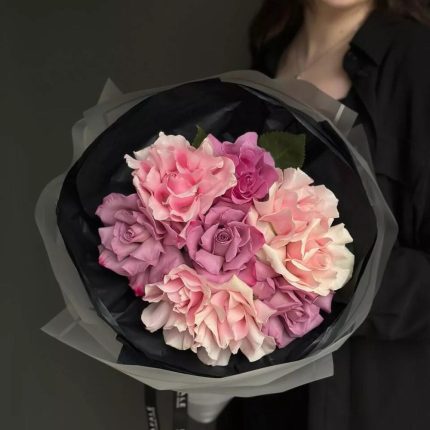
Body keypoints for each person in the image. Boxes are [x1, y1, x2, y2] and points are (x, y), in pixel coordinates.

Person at [217, 1, 430, 429]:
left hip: (370, 404)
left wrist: (315, 268)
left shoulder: (416, 60)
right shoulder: (267, 60)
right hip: (264, 402)